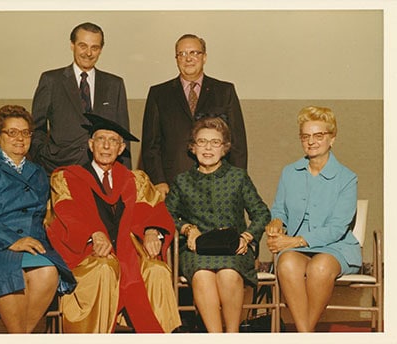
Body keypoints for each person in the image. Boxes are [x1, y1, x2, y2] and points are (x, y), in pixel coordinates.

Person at [45, 113, 182, 333]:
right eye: (101, 139)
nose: (106, 146)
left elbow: (154, 209)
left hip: (131, 257)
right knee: (105, 268)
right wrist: (93, 234)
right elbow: (64, 214)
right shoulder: (68, 178)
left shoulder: (135, 180)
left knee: (157, 270)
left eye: (113, 141)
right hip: (89, 256)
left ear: (121, 149)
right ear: (91, 145)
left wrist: (151, 230)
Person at [0, 105, 76, 333]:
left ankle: (19, 335)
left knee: (48, 271)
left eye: (26, 132)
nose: (20, 138)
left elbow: (38, 219)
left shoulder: (37, 172)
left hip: (27, 243)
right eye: (12, 132)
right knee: (10, 271)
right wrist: (12, 241)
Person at [165, 116, 270, 332]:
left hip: (234, 249)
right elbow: (167, 214)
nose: (208, 148)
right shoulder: (182, 181)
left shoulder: (238, 177)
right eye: (202, 142)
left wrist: (247, 237)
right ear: (192, 148)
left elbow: (261, 213)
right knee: (203, 275)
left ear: (225, 149)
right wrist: (188, 229)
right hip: (196, 250)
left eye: (215, 143)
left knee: (228, 273)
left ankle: (232, 334)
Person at [265, 106, 361, 332]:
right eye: (305, 136)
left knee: (319, 268)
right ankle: (306, 334)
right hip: (297, 251)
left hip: (335, 247)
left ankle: (302, 334)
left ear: (332, 139)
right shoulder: (290, 172)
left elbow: (337, 228)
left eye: (319, 136)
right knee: (286, 263)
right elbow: (279, 209)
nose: (311, 142)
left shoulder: (347, 178)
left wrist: (293, 241)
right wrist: (277, 222)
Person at [142, 33, 248, 200]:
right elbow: (150, 145)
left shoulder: (224, 91)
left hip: (218, 184)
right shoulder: (159, 94)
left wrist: (236, 183)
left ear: (204, 57)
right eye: (182, 54)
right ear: (176, 59)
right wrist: (159, 181)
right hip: (172, 186)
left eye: (194, 53)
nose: (188, 58)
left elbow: (237, 144)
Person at [30, 22, 131, 175]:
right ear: (72, 45)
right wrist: (44, 157)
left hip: (102, 173)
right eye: (83, 46)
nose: (88, 53)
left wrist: (124, 176)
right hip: (59, 170)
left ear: (101, 49)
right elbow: (36, 129)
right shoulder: (51, 80)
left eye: (94, 47)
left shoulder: (114, 84)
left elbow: (123, 136)